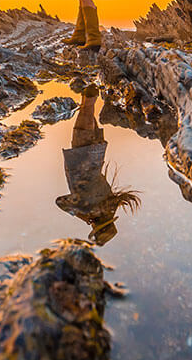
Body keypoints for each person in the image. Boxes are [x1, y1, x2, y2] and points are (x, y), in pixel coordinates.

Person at [56, 84, 140, 246]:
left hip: (97, 156)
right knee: (86, 109)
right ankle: (90, 87)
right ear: (98, 225)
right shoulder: (89, 209)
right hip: (81, 158)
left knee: (87, 110)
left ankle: (88, 85)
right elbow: (60, 202)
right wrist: (84, 217)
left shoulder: (110, 204)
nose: (91, 225)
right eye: (94, 227)